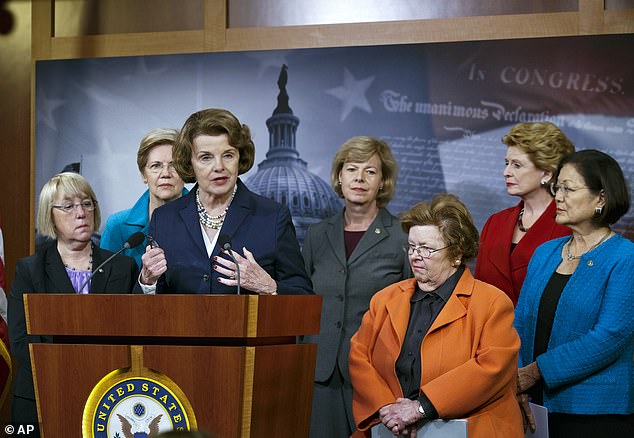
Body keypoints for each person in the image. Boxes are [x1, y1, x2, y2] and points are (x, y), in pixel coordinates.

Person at [349, 194, 523, 438]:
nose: (415, 256)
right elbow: (359, 354)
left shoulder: (492, 303)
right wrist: (388, 410)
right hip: (391, 430)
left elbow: (491, 368)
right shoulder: (385, 299)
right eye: (411, 246)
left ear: (457, 253)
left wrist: (420, 408)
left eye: (427, 249)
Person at [515, 150, 633, 437]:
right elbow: (519, 324)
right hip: (535, 404)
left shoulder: (625, 257)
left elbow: (611, 335)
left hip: (596, 414)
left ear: (601, 199)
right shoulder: (545, 253)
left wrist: (535, 372)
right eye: (557, 187)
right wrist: (515, 382)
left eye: (569, 188)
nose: (558, 196)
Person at [8, 172, 138, 433]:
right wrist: (70, 373)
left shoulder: (122, 266)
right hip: (40, 395)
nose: (81, 212)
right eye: (68, 206)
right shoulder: (30, 271)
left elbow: (132, 335)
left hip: (107, 395)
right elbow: (21, 341)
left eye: (87, 203)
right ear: (50, 216)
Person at [302, 136, 411, 438]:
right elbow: (302, 301)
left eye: (370, 171)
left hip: (376, 373)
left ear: (382, 182)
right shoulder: (316, 234)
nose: (359, 178)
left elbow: (414, 309)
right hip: (320, 372)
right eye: (351, 169)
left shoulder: (402, 236)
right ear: (339, 176)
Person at [139, 108, 312, 295]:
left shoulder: (272, 216)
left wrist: (270, 287)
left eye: (228, 155)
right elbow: (149, 306)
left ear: (240, 157)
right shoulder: (165, 219)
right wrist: (147, 281)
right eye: (206, 158)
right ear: (190, 163)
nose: (219, 167)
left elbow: (303, 294)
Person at [475, 122, 575, 305]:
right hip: (488, 331)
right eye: (507, 163)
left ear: (546, 173)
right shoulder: (495, 223)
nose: (506, 172)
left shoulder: (569, 229)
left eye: (517, 165)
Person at [101, 128, 187, 266]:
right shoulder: (117, 227)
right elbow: (107, 285)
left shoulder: (208, 222)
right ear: (143, 175)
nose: (165, 173)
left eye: (174, 165)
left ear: (186, 171)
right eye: (156, 166)